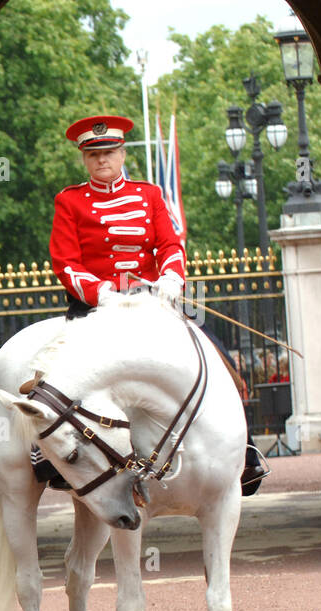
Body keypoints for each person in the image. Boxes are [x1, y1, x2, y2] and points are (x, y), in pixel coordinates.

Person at [46, 115, 268, 495]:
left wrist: (169, 279)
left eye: (110, 152)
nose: (103, 160)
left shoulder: (148, 195)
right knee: (51, 377)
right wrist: (101, 292)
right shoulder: (69, 200)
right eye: (94, 154)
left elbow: (169, 244)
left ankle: (244, 453)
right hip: (97, 306)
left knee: (219, 356)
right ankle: (45, 456)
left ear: (122, 153)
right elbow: (66, 261)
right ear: (84, 158)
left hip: (150, 303)